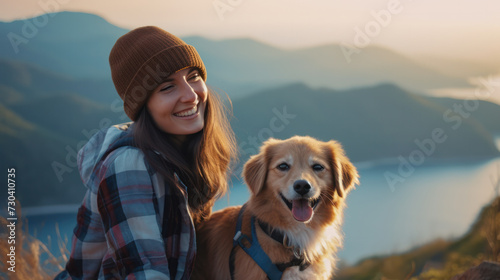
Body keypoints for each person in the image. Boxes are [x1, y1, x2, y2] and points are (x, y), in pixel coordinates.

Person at [54, 26, 237, 279]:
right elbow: (146, 273)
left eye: (193, 76)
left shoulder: (186, 152)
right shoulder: (129, 165)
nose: (190, 94)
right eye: (167, 87)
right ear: (143, 106)